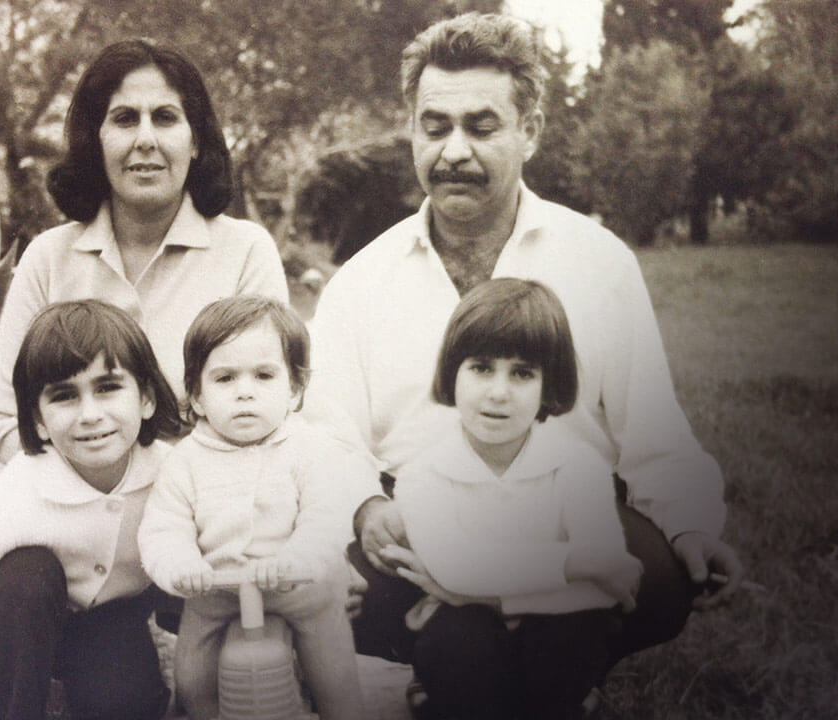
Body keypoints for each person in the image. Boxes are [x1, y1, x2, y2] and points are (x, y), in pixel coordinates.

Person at [303, 9, 744, 688]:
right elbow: (328, 438)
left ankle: (552, 669)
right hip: (424, 526)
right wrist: (364, 509)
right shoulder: (362, 281)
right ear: (411, 130)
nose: (454, 152)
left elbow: (653, 432)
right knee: (345, 589)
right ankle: (454, 671)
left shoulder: (599, 262)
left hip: (566, 514)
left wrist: (689, 528)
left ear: (529, 131)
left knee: (658, 579)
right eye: (435, 126)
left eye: (481, 127)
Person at [0, 38, 287, 464]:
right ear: (96, 140)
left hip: (208, 514)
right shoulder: (48, 258)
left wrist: (164, 499)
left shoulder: (246, 253)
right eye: (125, 119)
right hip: (71, 513)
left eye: (165, 118)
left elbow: (270, 412)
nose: (145, 139)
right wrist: (96, 496)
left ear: (196, 141)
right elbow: (4, 419)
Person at [0, 300, 182, 720]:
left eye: (108, 387)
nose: (90, 415)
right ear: (39, 420)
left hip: (106, 623)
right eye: (64, 396)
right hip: (12, 615)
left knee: (126, 705)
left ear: (147, 398)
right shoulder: (18, 495)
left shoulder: (177, 478)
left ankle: (84, 684)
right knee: (26, 574)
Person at [375, 278, 643, 719]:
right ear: (452, 373)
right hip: (465, 646)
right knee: (460, 637)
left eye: (522, 373)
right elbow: (455, 567)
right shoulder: (423, 475)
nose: (499, 392)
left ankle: (562, 702)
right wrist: (574, 563)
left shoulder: (579, 467)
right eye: (481, 367)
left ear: (548, 383)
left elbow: (605, 586)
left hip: (552, 635)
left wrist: (484, 595)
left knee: (575, 632)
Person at [138, 295, 364, 720]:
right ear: (197, 397)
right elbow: (164, 526)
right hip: (216, 588)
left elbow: (328, 516)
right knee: (192, 678)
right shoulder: (184, 462)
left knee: (333, 674)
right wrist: (181, 566)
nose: (245, 392)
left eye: (263, 376)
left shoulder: (310, 450)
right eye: (224, 379)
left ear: (294, 389)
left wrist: (298, 557)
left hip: (301, 587)